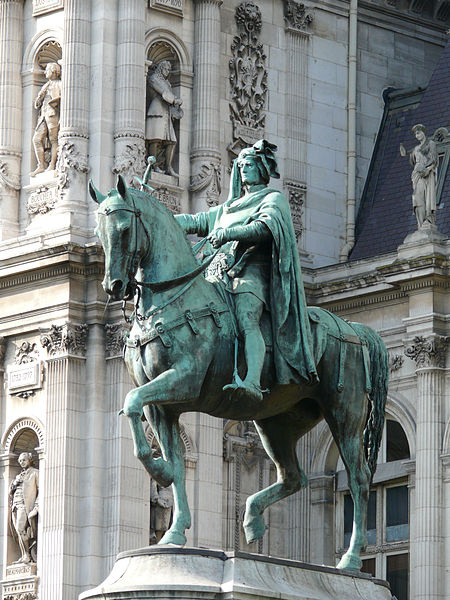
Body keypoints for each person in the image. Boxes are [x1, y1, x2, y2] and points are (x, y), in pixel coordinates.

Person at [175, 140, 318, 403]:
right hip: (218, 275)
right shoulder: (228, 208)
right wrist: (160, 218)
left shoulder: (272, 199)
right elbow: (196, 221)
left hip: (251, 274)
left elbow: (265, 228)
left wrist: (228, 233)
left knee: (246, 317)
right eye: (240, 166)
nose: (243, 171)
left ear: (262, 169)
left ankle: (252, 381)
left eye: (249, 165)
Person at [145, 60, 183, 176]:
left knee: (172, 141)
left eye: (169, 70)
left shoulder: (167, 82)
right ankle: (154, 166)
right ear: (161, 68)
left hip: (166, 112)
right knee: (155, 139)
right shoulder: (154, 79)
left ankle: (169, 167)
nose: (168, 72)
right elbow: (164, 93)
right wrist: (175, 100)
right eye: (166, 69)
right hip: (156, 111)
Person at [400, 124, 438, 229]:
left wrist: (427, 169)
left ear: (423, 132)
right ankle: (420, 223)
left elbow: (434, 160)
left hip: (426, 173)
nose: (417, 136)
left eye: (418, 133)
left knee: (426, 197)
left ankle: (428, 219)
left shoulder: (431, 144)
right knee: (417, 198)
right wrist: (403, 151)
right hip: (417, 175)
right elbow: (408, 154)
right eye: (415, 134)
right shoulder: (416, 148)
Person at [31, 62, 61, 177]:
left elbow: (62, 99)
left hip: (52, 114)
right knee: (36, 139)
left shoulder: (59, 84)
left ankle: (52, 165)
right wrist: (39, 99)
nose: (45, 72)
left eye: (47, 70)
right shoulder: (46, 85)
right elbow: (37, 104)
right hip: (43, 115)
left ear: (54, 71)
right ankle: (41, 165)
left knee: (54, 140)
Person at [9, 452, 39, 564]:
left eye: (24, 460)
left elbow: (41, 491)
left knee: (20, 528)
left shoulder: (35, 473)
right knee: (18, 530)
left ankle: (27, 555)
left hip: (25, 505)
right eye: (20, 460)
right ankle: (24, 555)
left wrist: (36, 507)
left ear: (29, 460)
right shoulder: (18, 475)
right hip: (15, 505)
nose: (22, 462)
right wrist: (14, 483)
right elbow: (10, 492)